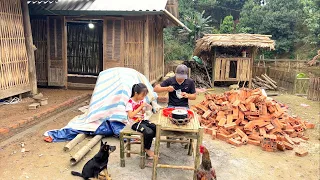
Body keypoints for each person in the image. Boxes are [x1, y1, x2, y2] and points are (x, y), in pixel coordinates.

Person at [125, 83, 156, 159]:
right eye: (142, 95)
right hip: (134, 123)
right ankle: (146, 149)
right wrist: (140, 107)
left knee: (155, 127)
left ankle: (147, 146)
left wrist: (147, 108)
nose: (143, 97)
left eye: (144, 96)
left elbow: (143, 112)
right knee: (149, 132)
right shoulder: (130, 102)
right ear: (136, 93)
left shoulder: (141, 100)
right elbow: (131, 116)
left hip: (142, 120)